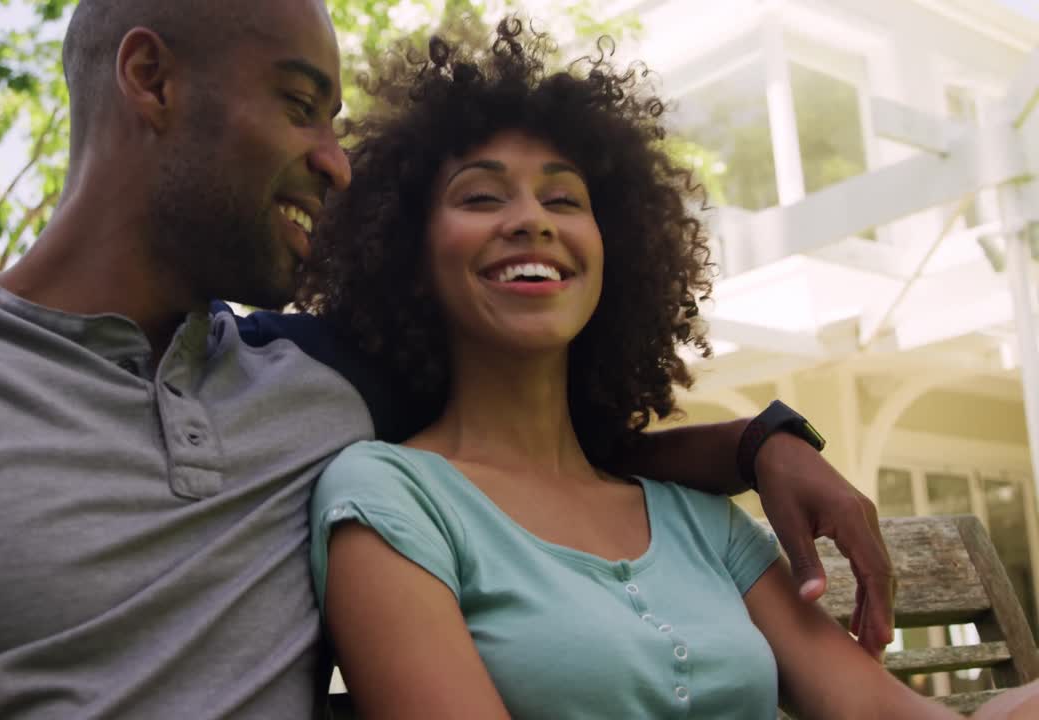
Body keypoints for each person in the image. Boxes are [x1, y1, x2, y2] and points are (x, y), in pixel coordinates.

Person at [0, 2, 889, 718]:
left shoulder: (326, 381)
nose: (335, 164)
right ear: (149, 81)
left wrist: (759, 441)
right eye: (301, 106)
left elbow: (552, 462)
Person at [301, 19, 1036, 720]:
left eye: (564, 199)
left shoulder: (698, 521)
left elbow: (877, 708)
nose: (533, 219)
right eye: (482, 197)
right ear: (408, 256)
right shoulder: (389, 497)